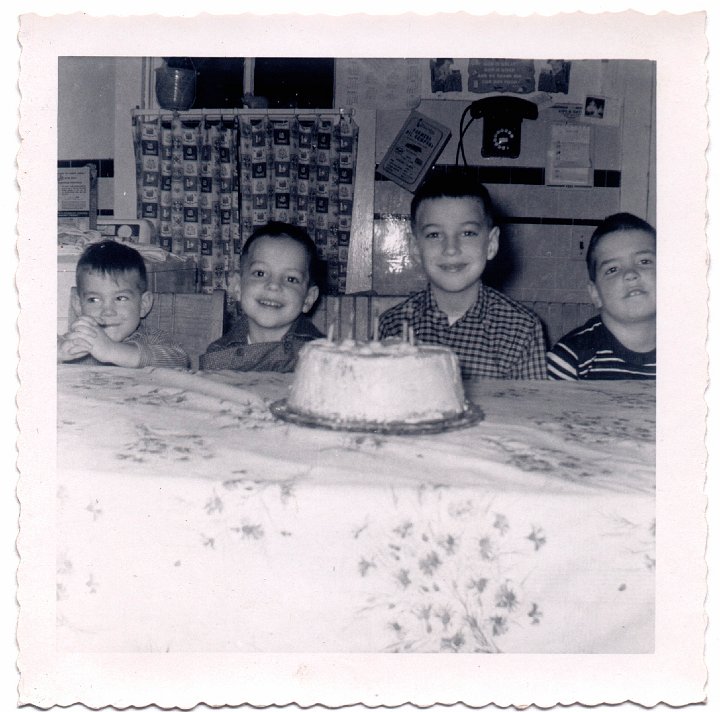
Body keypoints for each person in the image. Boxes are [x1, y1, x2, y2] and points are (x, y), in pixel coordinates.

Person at [378, 169, 547, 379]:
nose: (451, 248)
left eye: (467, 233)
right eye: (434, 235)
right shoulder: (392, 325)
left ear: (491, 243)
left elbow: (530, 409)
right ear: (414, 248)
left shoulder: (522, 330)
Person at [200, 221, 324, 372]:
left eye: (291, 279)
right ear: (237, 286)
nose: (274, 285)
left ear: (308, 298)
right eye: (260, 273)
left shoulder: (321, 358)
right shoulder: (218, 355)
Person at [547, 212, 656, 380]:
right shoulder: (569, 361)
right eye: (612, 269)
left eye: (644, 262)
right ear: (595, 293)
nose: (631, 274)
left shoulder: (693, 348)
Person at [58, 240, 190, 368]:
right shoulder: (74, 341)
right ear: (78, 306)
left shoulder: (154, 341)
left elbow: (180, 361)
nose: (108, 311)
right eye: (94, 300)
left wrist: (111, 350)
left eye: (120, 298)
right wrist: (57, 354)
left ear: (144, 304)